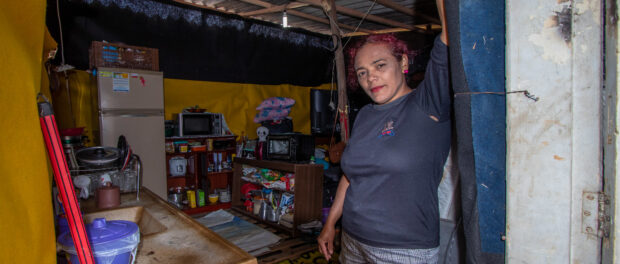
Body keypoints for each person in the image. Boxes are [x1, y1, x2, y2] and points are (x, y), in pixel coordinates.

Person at [316, 0, 450, 263]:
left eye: (380, 66)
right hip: (353, 241)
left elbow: (450, 37)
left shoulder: (427, 104)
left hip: (404, 249)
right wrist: (330, 223)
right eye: (362, 72)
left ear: (402, 63)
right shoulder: (365, 115)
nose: (370, 78)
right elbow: (351, 176)